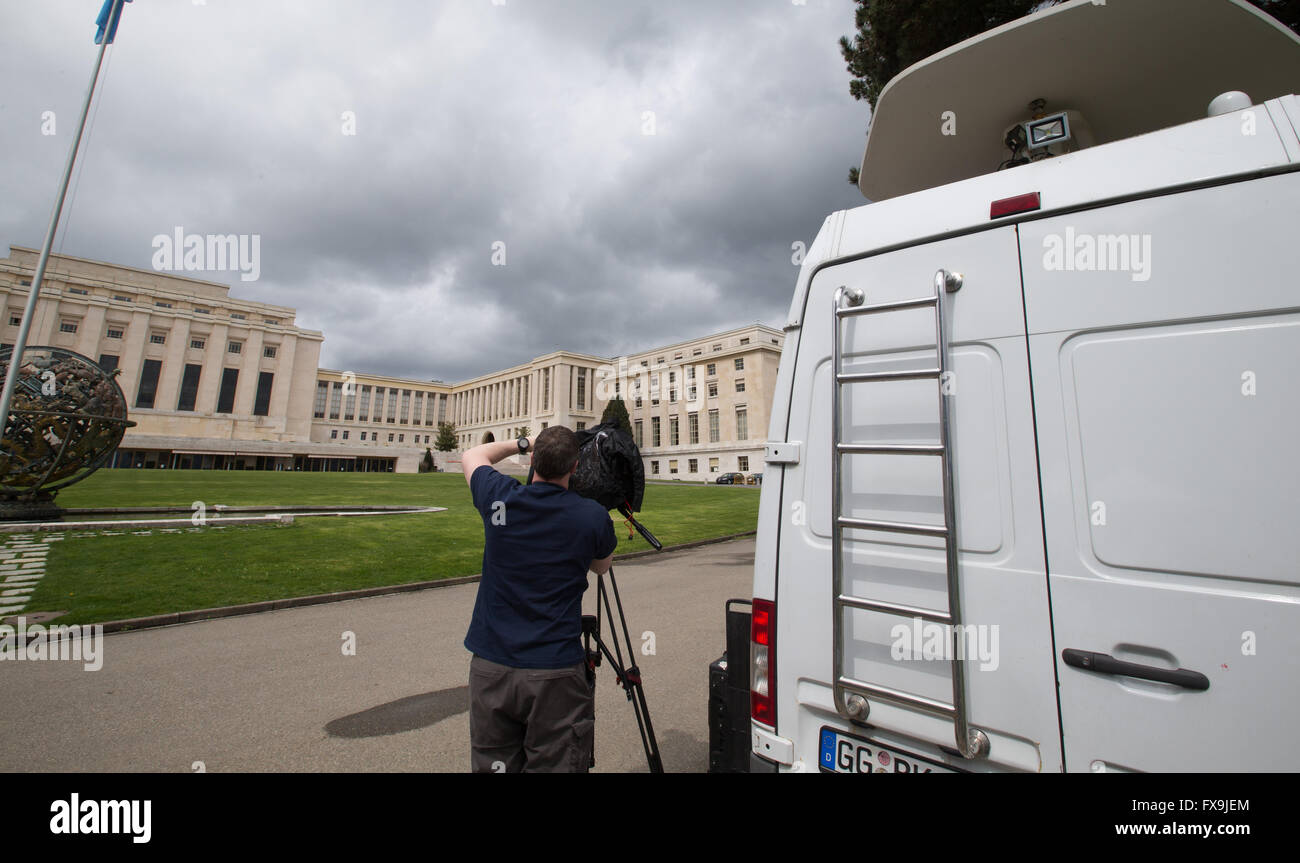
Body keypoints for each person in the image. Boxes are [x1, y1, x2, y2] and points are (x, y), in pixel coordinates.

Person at [462, 426, 617, 773]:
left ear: (532, 460)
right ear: (575, 468)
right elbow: (602, 567)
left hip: (492, 666)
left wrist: (524, 442)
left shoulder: (500, 498)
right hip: (555, 670)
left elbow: (474, 455)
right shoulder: (591, 516)